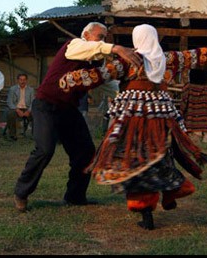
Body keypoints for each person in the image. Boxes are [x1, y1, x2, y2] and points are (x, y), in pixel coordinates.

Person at [59, 24, 207, 230]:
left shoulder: (129, 60)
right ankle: (172, 191)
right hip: (160, 113)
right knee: (161, 153)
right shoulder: (168, 58)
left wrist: (71, 79)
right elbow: (198, 56)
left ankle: (147, 209)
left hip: (134, 116)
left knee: (135, 156)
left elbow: (102, 74)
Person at [13, 22, 142, 213]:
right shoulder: (73, 45)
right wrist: (116, 48)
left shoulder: (96, 64)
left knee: (86, 152)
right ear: (87, 35)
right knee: (45, 149)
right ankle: (21, 193)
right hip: (46, 105)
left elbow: (110, 87)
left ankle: (75, 196)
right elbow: (91, 49)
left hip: (68, 109)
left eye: (106, 38)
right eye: (100, 37)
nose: (103, 41)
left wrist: (133, 96)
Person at [5, 73, 35, 140]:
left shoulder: (31, 90)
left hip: (26, 108)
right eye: (21, 80)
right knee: (11, 114)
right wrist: (17, 110)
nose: (22, 81)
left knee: (36, 114)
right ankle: (12, 135)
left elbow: (33, 102)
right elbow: (9, 102)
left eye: (24, 80)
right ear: (18, 80)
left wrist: (29, 110)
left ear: (26, 80)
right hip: (16, 108)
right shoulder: (12, 89)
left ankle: (35, 135)